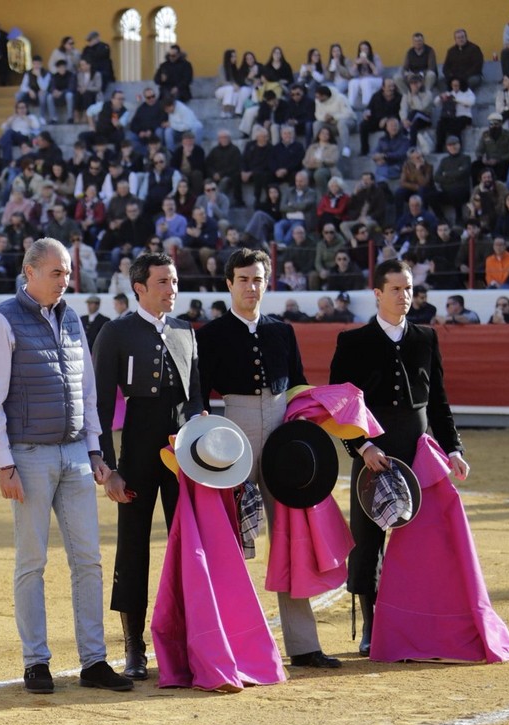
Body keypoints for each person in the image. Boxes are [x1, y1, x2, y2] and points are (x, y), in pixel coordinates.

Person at [0, 238, 133, 695]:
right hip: (27, 455)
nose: (65, 281)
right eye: (57, 272)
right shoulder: (2, 321)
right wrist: (4, 463)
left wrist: (95, 450)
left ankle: (94, 660)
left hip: (73, 455)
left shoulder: (71, 317)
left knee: (89, 558)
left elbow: (85, 389)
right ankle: (36, 661)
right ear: (30, 272)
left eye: (67, 273)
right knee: (32, 561)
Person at [194, 247, 341, 667]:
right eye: (242, 279)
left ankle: (303, 645)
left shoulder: (282, 331)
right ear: (228, 283)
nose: (250, 287)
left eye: (257, 279)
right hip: (232, 432)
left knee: (290, 536)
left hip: (281, 433)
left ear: (267, 282)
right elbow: (200, 397)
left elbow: (295, 386)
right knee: (233, 540)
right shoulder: (211, 334)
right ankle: (235, 641)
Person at [328, 259, 467, 654]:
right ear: (377, 293)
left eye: (409, 289)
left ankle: (418, 619)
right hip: (374, 449)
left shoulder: (426, 337)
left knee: (422, 541)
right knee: (367, 540)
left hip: (418, 450)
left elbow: (438, 400)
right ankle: (373, 626)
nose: (405, 297)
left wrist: (453, 448)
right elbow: (341, 408)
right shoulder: (352, 342)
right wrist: (363, 447)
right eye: (396, 289)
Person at [91, 252, 202, 679]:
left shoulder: (185, 331)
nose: (171, 290)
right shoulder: (115, 333)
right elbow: (101, 405)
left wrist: (205, 461)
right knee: (133, 546)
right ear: (139, 287)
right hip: (136, 451)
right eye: (163, 282)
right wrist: (109, 467)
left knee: (186, 546)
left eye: (174, 282)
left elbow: (196, 402)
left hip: (182, 455)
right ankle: (134, 646)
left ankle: (187, 639)